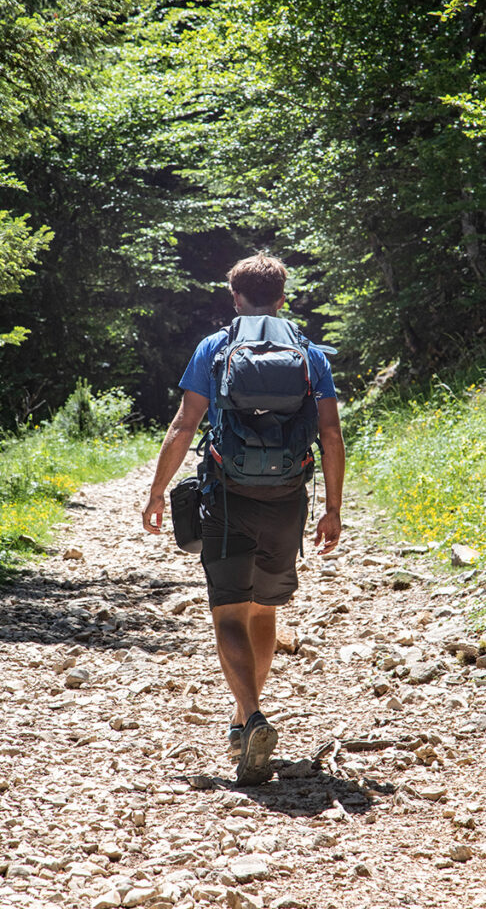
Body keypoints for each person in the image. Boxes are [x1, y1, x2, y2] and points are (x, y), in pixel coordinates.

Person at [142, 253, 345, 784]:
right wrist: (334, 510)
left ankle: (249, 716)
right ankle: (242, 718)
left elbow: (185, 424)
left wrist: (158, 492)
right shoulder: (308, 354)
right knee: (263, 611)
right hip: (286, 499)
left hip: (227, 498)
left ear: (236, 297)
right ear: (283, 298)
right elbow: (330, 435)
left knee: (228, 614)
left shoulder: (215, 348)